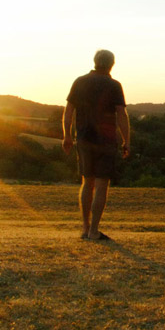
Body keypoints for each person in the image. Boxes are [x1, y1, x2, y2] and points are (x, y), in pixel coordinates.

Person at [62, 49, 130, 241]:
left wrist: (67, 136)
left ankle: (85, 228)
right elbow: (122, 115)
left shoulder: (79, 81)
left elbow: (68, 112)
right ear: (112, 64)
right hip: (106, 141)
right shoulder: (114, 85)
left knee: (87, 183)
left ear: (95, 62)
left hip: (83, 138)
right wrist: (127, 141)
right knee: (101, 185)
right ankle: (94, 230)